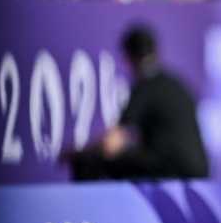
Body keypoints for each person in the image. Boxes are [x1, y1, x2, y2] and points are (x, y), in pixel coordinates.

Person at [67, 24, 209, 180]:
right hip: (200, 168)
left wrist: (80, 153)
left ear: (129, 57)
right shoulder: (176, 84)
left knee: (89, 162)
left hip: (170, 168)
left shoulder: (145, 87)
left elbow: (112, 143)